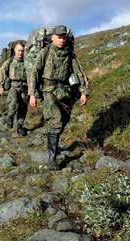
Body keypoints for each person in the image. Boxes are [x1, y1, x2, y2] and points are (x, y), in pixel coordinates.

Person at [28, 25, 89, 170]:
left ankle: (52, 140)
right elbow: (34, 72)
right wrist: (32, 94)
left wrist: (83, 92)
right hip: (49, 91)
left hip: (66, 92)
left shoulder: (70, 54)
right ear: (53, 38)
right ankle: (52, 159)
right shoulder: (45, 51)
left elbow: (79, 73)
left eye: (64, 37)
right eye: (59, 37)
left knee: (64, 119)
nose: (62, 40)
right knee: (56, 120)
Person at [0, 42, 28, 136]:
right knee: (13, 104)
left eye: (22, 51)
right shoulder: (10, 62)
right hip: (13, 86)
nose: (20, 53)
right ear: (15, 50)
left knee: (23, 108)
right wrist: (0, 86)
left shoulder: (27, 62)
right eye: (19, 50)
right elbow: (2, 72)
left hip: (24, 87)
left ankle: (20, 126)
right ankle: (10, 117)